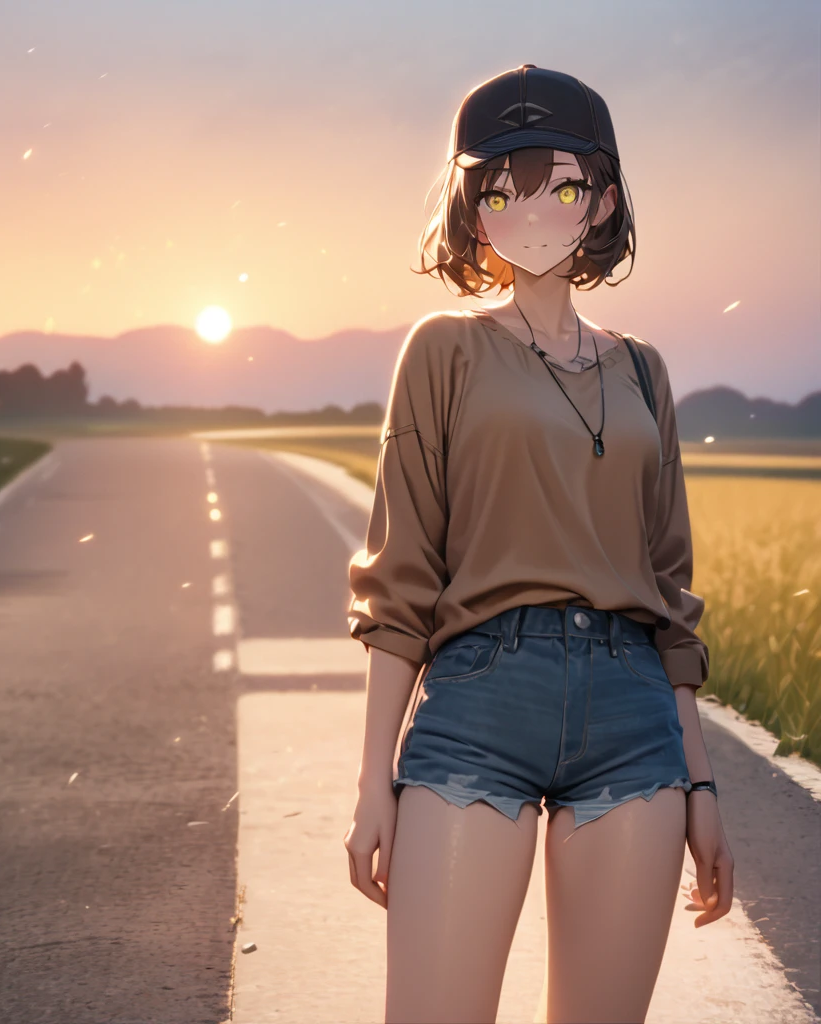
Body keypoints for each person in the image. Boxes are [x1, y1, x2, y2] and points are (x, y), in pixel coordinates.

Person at [342, 65, 734, 1024]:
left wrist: (704, 783)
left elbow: (668, 592)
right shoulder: (443, 350)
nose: (529, 207)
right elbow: (400, 582)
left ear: (600, 199)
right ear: (474, 209)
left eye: (557, 183)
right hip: (479, 701)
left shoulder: (644, 371)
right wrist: (370, 787)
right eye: (499, 186)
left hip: (632, 720)